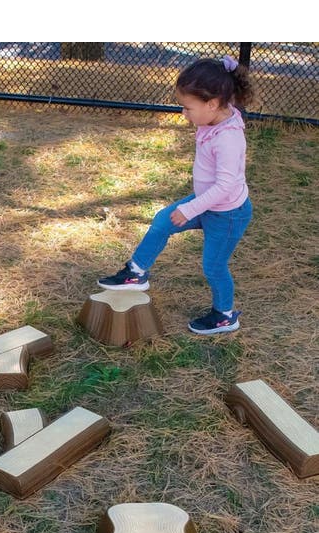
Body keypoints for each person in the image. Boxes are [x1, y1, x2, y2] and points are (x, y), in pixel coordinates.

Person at [97, 55, 254, 334]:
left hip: (227, 213)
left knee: (214, 266)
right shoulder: (216, 117)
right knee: (161, 221)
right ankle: (136, 272)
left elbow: (225, 186)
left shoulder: (228, 137)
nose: (184, 113)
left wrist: (191, 209)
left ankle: (225, 315)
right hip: (207, 203)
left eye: (188, 107)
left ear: (212, 104)